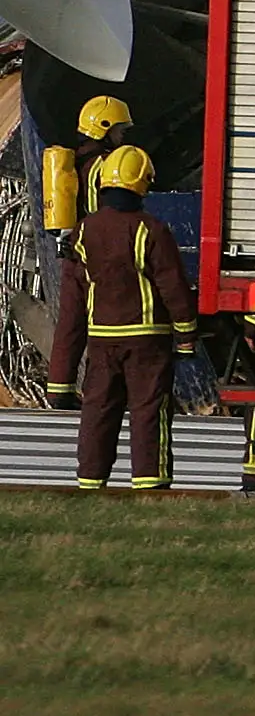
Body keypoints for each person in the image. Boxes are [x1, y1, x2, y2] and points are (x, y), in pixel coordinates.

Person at [44, 144, 197, 491]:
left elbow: (72, 308)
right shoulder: (150, 230)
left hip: (102, 340)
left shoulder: (83, 232)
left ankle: (90, 481)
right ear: (142, 184)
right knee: (148, 410)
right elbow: (172, 285)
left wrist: (61, 382)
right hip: (148, 341)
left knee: (98, 409)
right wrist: (186, 335)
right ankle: (149, 482)